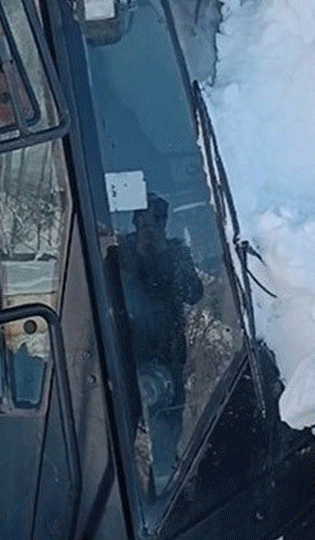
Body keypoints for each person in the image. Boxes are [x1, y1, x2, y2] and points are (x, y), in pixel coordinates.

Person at [106, 192, 203, 492]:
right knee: (121, 432)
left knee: (166, 433)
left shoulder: (175, 252)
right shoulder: (119, 251)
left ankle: (163, 490)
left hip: (167, 358)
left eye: (156, 220)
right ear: (134, 221)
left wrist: (164, 257)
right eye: (143, 220)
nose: (149, 227)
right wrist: (134, 258)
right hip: (124, 355)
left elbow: (193, 293)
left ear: (165, 223)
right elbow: (107, 291)